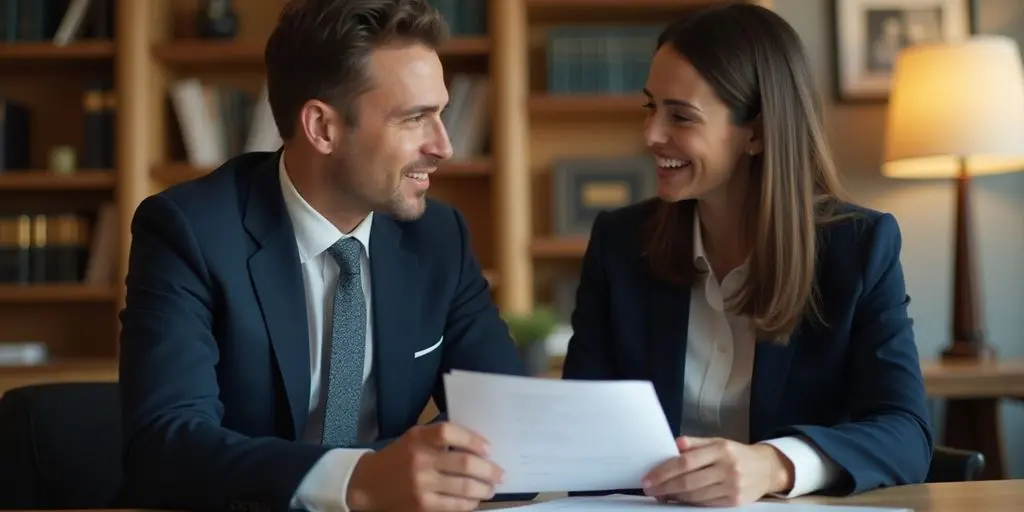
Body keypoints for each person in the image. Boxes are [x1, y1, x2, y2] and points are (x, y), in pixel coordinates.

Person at [116, 1, 530, 511]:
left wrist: (414, 472)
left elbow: (513, 424)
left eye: (440, 113)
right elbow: (165, 447)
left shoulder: (440, 237)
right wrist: (358, 479)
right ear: (323, 127)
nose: (443, 145)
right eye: (415, 118)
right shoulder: (190, 232)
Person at [561, 3, 933, 507]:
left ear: (755, 132)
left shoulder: (858, 247)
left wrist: (775, 464)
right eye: (651, 107)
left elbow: (906, 433)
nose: (650, 135)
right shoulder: (620, 243)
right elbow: (583, 426)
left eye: (681, 116)